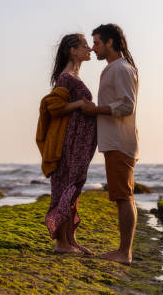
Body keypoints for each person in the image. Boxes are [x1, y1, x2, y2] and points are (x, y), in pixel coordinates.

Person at [81, 23, 139, 265]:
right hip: (114, 141)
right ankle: (123, 251)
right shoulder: (113, 68)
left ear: (110, 42)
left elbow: (127, 105)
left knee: (124, 197)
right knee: (123, 196)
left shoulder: (121, 69)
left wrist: (96, 110)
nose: (93, 48)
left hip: (120, 141)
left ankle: (124, 253)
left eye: (96, 43)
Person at [36, 33, 97, 255]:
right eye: (84, 46)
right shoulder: (66, 78)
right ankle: (61, 244)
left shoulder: (74, 77)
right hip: (68, 143)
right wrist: (81, 103)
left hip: (78, 143)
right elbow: (55, 108)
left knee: (74, 189)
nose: (89, 49)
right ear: (72, 50)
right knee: (65, 189)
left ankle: (71, 241)